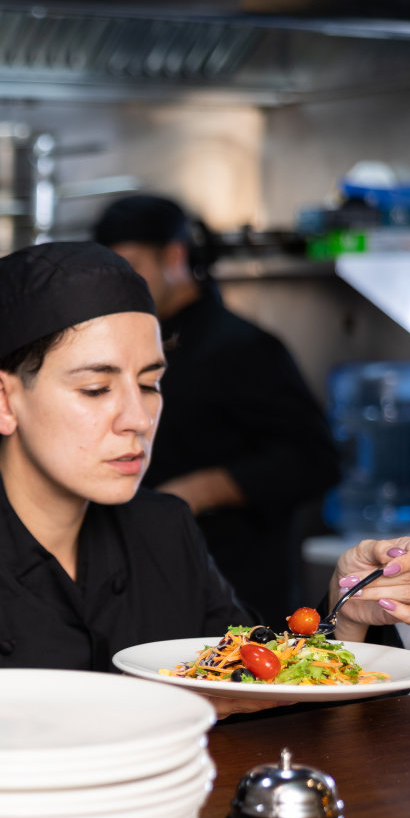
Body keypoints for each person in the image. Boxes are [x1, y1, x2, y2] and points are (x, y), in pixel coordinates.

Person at [0, 241, 410, 716]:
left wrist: (348, 614)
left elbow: (254, 686)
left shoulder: (161, 526)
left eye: (149, 382)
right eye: (96, 389)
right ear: (2, 400)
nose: (138, 418)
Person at [94, 195, 342, 623]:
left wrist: (195, 491)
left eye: (131, 265)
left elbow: (315, 460)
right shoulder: (125, 342)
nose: (120, 282)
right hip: (142, 576)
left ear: (174, 256)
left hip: (237, 585)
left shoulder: (244, 347)